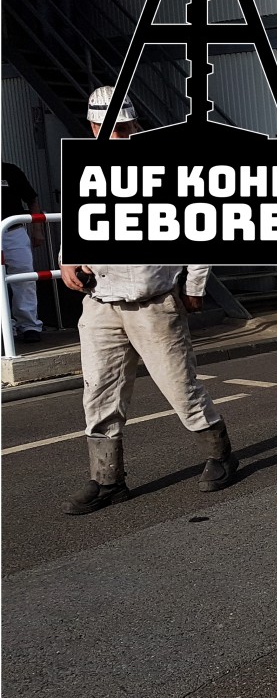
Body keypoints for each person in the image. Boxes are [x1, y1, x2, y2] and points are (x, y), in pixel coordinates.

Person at [58, 87, 237, 515]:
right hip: (100, 301)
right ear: (93, 127)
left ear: (135, 125)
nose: (117, 137)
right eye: (108, 129)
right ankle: (107, 480)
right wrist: (68, 261)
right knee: (98, 394)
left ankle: (221, 455)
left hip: (154, 303)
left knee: (181, 389)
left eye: (125, 128)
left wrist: (194, 289)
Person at [2, 161, 45, 342]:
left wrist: (37, 230)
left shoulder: (9, 170)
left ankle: (29, 326)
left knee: (24, 276)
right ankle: (5, 328)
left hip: (13, 232)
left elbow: (32, 199)